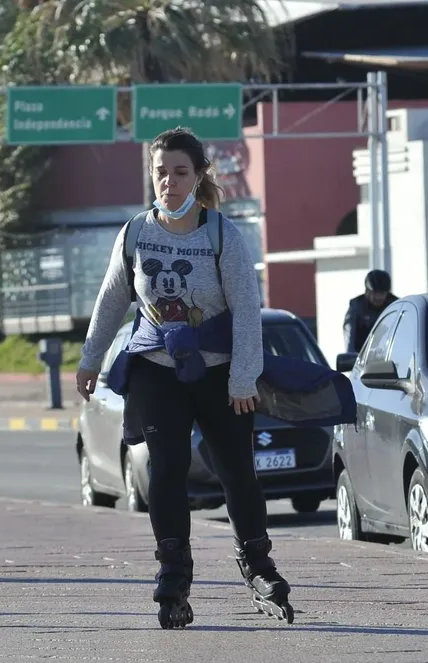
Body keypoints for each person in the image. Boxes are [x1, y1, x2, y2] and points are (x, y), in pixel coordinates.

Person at [76, 127, 293, 629]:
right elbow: (112, 300)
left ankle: (258, 565)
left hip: (218, 374)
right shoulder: (134, 233)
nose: (169, 183)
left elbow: (245, 310)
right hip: (157, 368)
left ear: (198, 177)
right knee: (167, 470)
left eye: (179, 173)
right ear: (151, 177)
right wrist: (91, 359)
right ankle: (174, 572)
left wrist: (243, 379)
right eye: (161, 173)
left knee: (237, 470)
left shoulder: (222, 234)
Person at [343, 269, 398, 354]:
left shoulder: (396, 306)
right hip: (363, 359)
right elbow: (350, 335)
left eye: (382, 293)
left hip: (391, 356)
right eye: (375, 293)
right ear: (367, 291)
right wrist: (351, 357)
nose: (378, 297)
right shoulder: (356, 307)